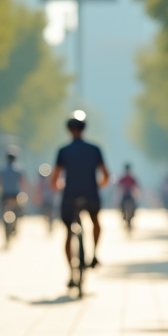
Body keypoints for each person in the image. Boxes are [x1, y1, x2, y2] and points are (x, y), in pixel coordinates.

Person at [50, 113, 109, 276]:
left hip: (69, 195)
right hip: (91, 193)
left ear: (69, 130)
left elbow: (55, 178)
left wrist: (58, 187)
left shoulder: (63, 151)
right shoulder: (95, 149)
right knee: (96, 222)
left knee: (68, 232)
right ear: (84, 129)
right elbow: (106, 175)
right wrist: (98, 186)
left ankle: (71, 271)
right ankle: (94, 254)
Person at [0, 148, 24, 221]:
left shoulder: (2, 169)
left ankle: (0, 215)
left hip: (5, 194)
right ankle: (19, 216)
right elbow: (23, 182)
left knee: (1, 208)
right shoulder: (18, 169)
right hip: (15, 194)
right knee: (18, 208)